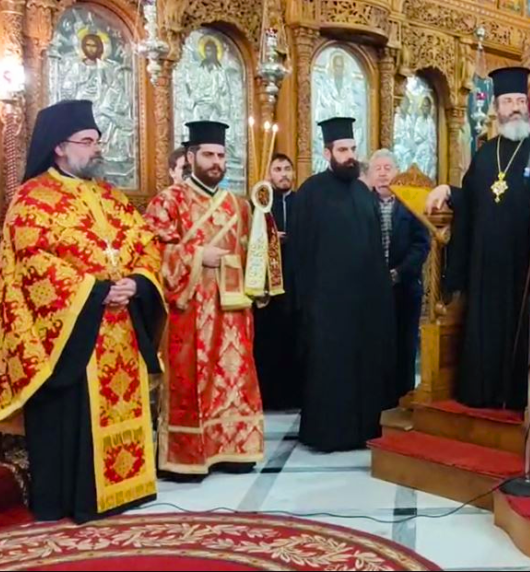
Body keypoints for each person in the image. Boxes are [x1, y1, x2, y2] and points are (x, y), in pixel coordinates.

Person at [0, 99, 165, 523]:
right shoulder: (32, 199)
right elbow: (33, 263)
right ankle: (77, 498)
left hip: (121, 328)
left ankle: (125, 490)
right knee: (72, 412)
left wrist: (138, 281)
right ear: (59, 147)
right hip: (70, 335)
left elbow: (145, 243)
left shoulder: (112, 197)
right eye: (87, 141)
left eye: (98, 141)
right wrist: (97, 291)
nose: (97, 149)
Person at [424, 67, 530, 411]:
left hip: (529, 263)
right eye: (508, 101)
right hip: (488, 266)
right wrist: (448, 190)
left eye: (520, 100)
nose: (516, 107)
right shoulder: (486, 154)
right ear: (497, 108)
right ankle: (484, 391)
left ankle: (522, 395)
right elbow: (471, 200)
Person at [145, 121, 264, 479]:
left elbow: (252, 251)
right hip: (189, 309)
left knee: (234, 378)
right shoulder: (168, 201)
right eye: (209, 155)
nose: (216, 162)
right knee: (189, 381)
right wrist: (198, 256)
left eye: (221, 156)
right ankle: (187, 457)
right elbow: (150, 251)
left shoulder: (238, 205)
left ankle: (233, 450)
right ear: (191, 156)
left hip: (233, 310)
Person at [288, 118, 396, 452]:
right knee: (329, 370)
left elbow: (375, 249)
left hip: (363, 304)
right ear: (327, 153)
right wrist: (305, 302)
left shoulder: (363, 193)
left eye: (352, 149)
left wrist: (380, 296)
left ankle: (363, 430)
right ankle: (327, 435)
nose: (350, 156)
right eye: (342, 150)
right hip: (326, 304)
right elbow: (299, 251)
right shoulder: (310, 192)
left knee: (363, 368)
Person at [369, 149, 431, 408]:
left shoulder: (410, 204)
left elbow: (421, 244)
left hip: (405, 286)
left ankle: (403, 398)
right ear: (370, 175)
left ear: (397, 172)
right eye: (378, 169)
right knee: (376, 345)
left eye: (388, 168)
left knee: (405, 345)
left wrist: (398, 272)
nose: (383, 174)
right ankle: (377, 398)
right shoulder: (363, 203)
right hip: (372, 289)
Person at [253, 153, 301, 410]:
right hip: (267, 287)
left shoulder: (302, 202)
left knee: (295, 339)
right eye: (278, 169)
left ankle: (295, 397)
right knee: (268, 341)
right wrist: (269, 236)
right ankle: (268, 397)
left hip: (296, 283)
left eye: (287, 169)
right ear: (270, 174)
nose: (283, 174)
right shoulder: (260, 204)